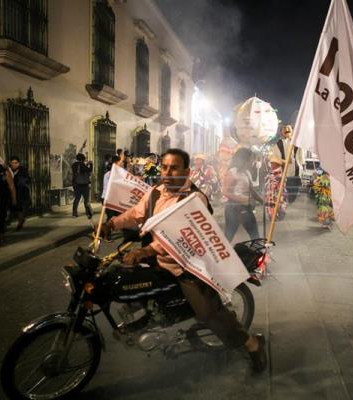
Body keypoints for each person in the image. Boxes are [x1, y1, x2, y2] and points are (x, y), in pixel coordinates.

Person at [101, 148, 267, 373]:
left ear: (187, 171)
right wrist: (112, 224)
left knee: (209, 314)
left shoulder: (193, 199)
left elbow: (180, 237)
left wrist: (144, 252)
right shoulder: (157, 192)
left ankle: (252, 344)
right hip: (158, 261)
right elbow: (135, 213)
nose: (167, 173)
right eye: (165, 167)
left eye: (174, 168)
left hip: (189, 266)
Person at [222, 147, 263, 242]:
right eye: (251, 159)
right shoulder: (233, 172)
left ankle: (258, 254)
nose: (252, 161)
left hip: (245, 207)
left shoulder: (246, 172)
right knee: (228, 237)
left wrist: (262, 200)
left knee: (254, 235)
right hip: (233, 208)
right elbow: (225, 192)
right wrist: (243, 199)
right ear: (244, 158)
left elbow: (252, 190)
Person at [9, 156, 31, 230]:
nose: (14, 164)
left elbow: (27, 179)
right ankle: (17, 220)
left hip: (21, 192)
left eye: (16, 163)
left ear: (19, 163)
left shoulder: (22, 170)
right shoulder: (8, 170)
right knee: (13, 208)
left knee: (20, 208)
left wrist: (23, 181)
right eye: (12, 163)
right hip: (12, 191)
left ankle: (20, 222)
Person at [264, 154, 287, 221]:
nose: (271, 164)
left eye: (272, 163)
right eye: (271, 163)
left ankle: (274, 215)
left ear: (277, 164)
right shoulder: (273, 173)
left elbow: (278, 188)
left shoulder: (277, 174)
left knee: (274, 212)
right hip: (272, 196)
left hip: (275, 197)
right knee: (272, 212)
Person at [71, 153, 93, 218]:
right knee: (86, 200)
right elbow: (89, 170)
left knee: (77, 199)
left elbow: (80, 170)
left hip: (76, 185)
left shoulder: (74, 165)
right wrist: (91, 164)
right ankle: (88, 212)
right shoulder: (82, 165)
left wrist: (86, 164)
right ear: (83, 159)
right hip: (84, 185)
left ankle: (74, 213)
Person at [101, 155, 122, 221]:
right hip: (109, 198)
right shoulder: (112, 174)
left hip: (108, 198)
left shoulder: (108, 174)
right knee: (111, 217)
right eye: (120, 163)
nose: (121, 165)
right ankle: (106, 229)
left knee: (114, 216)